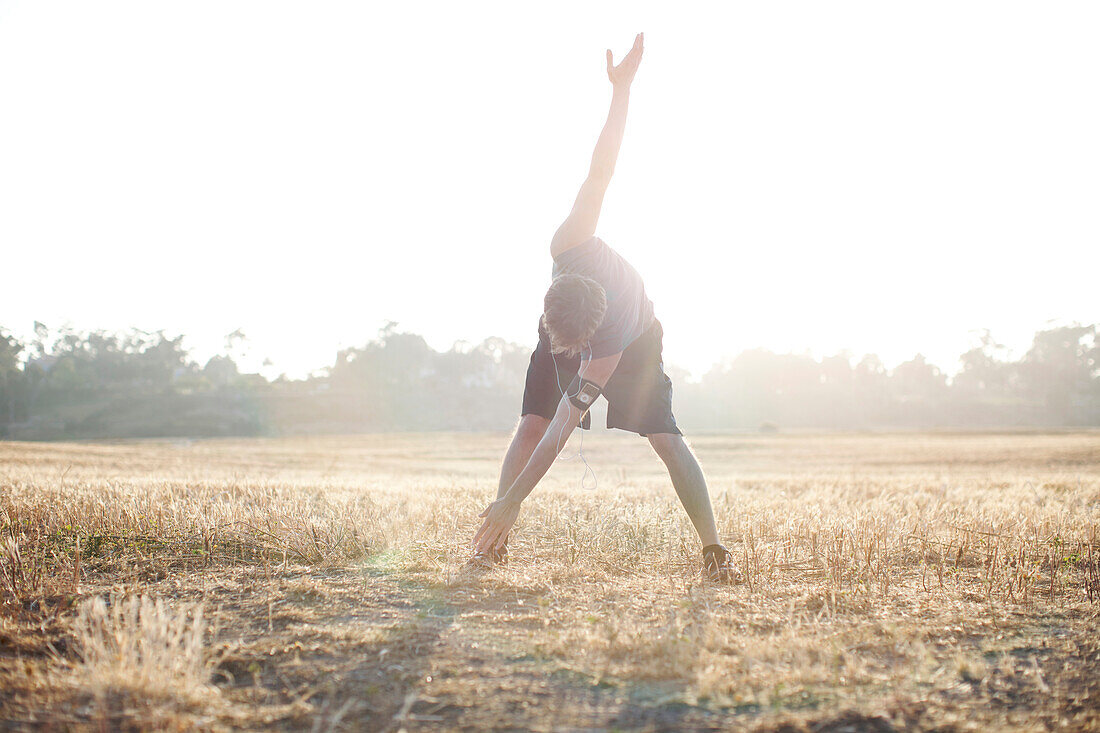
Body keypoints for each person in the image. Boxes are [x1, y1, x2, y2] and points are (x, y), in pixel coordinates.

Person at [471, 33, 736, 583]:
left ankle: (715, 550)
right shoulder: (570, 240)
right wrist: (620, 92)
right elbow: (603, 167)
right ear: (550, 309)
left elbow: (564, 430)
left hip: (638, 340)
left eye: (572, 349)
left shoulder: (609, 343)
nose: (564, 355)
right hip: (574, 319)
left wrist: (518, 499)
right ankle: (491, 543)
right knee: (528, 423)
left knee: (664, 437)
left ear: (588, 335)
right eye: (556, 340)